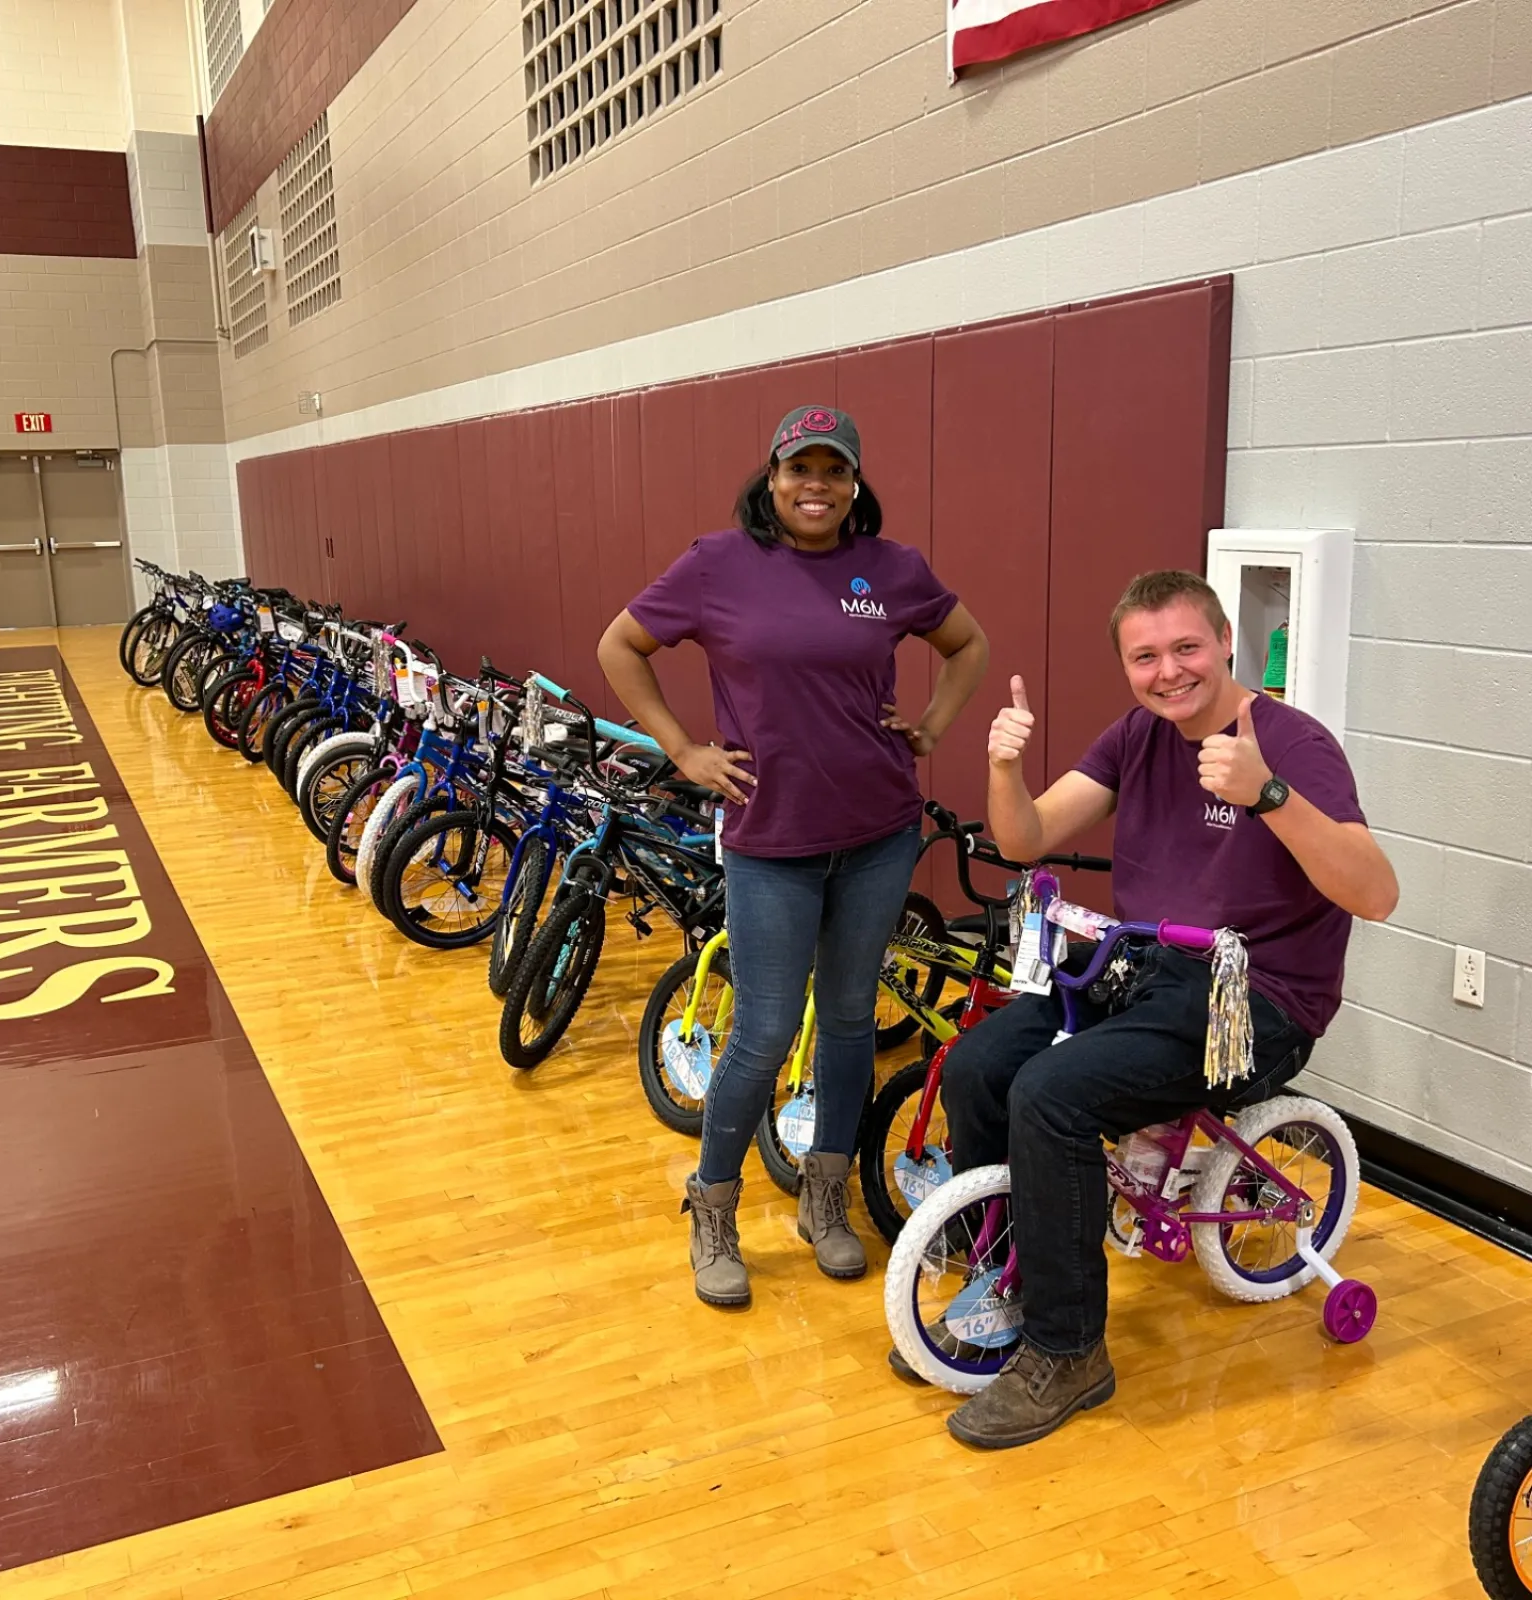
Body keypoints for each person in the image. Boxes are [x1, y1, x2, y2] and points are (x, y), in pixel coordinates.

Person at [894, 568, 1398, 1448]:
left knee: (1051, 1094)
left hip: (1258, 1001)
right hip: (1148, 971)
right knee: (980, 1065)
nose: (1168, 671)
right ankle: (1001, 1277)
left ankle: (1068, 1349)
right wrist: (1002, 764)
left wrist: (1268, 795)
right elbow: (1024, 838)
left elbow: (1377, 893)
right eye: (1146, 656)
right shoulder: (1139, 736)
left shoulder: (1292, 743)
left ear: (1226, 641)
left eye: (1186, 648)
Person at [598, 405, 989, 1307]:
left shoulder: (890, 571)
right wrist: (681, 750)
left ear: (855, 484)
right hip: (770, 839)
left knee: (851, 1020)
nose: (816, 485)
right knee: (767, 1028)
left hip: (880, 834)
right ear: (771, 480)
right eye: (799, 469)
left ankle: (825, 1195)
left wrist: (929, 725)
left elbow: (966, 644)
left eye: (833, 470)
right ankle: (714, 1208)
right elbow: (620, 646)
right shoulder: (717, 565)